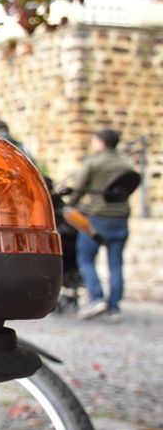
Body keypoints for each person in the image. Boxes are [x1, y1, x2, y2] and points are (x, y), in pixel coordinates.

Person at [72, 128, 135, 321]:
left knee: (86, 258)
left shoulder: (94, 162)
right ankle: (114, 308)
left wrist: (73, 203)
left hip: (98, 218)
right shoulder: (127, 164)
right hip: (121, 218)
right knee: (116, 263)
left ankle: (96, 297)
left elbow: (79, 188)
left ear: (100, 142)